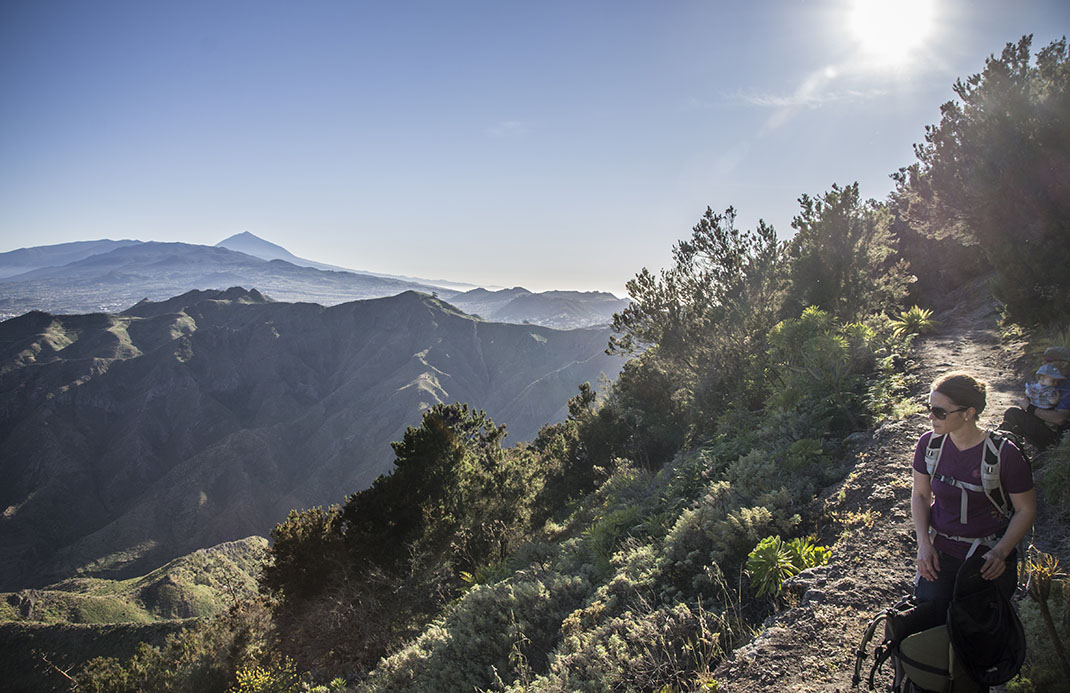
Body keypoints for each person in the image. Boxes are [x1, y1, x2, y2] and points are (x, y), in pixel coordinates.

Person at [912, 371, 1036, 610]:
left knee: (979, 629)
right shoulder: (928, 445)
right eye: (929, 407)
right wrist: (924, 544)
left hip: (988, 558)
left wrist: (1001, 552)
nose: (930, 417)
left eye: (939, 412)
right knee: (929, 622)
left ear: (968, 414)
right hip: (941, 554)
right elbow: (920, 495)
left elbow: (1026, 509)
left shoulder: (1004, 454)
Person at [1001, 346, 1070, 452]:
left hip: (1061, 441)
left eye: (1048, 360)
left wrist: (1030, 407)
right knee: (1013, 415)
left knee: (1013, 414)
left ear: (1064, 363)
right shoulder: (1053, 380)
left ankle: (1007, 453)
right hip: (1052, 431)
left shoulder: (1067, 386)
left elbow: (1059, 419)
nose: (1043, 364)